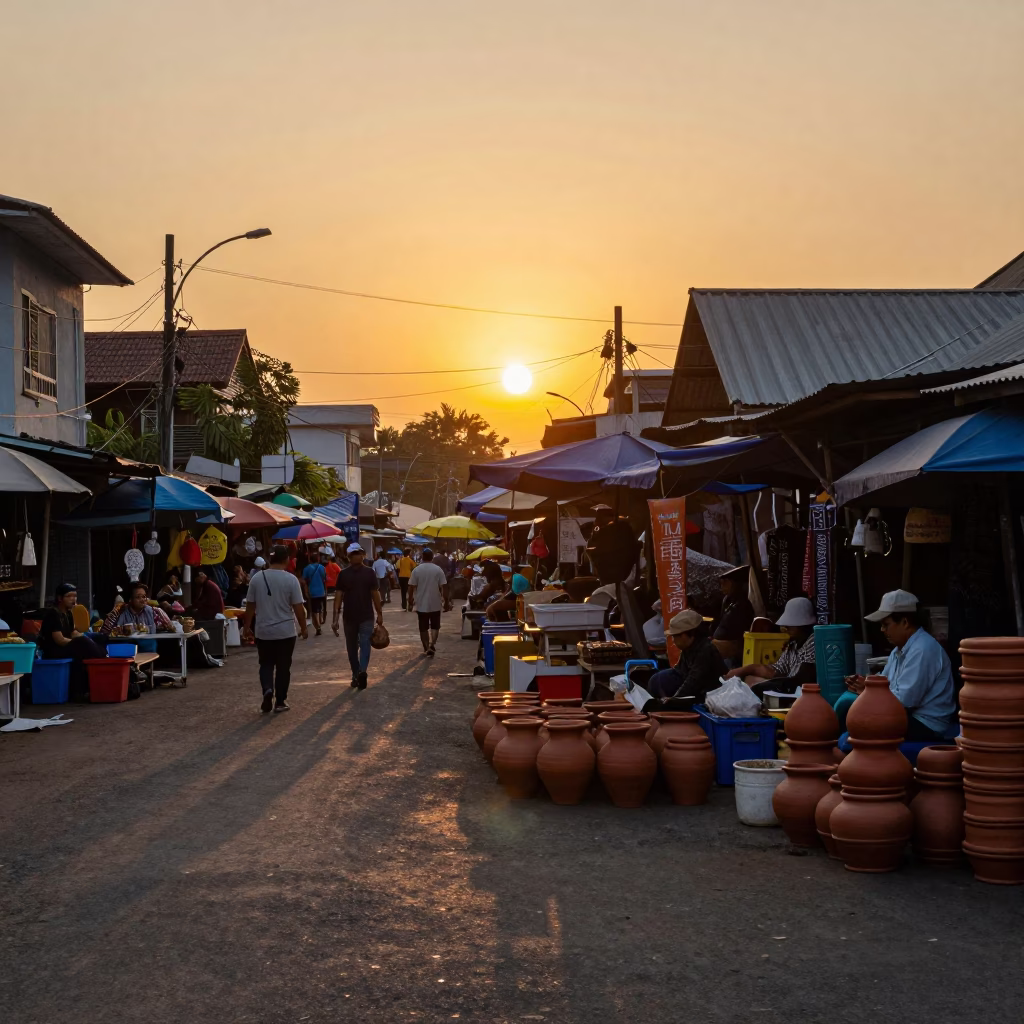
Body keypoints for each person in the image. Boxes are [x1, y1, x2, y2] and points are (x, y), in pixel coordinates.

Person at [838, 590, 956, 740]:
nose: (882, 630)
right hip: (904, 716)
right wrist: (864, 683)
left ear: (905, 622)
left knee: (855, 728)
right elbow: (884, 680)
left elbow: (905, 701)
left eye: (886, 624)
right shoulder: (898, 650)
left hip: (926, 724)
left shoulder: (923, 649)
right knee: (847, 703)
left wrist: (867, 690)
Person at [242, 545, 308, 713]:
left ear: (270, 559)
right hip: (285, 631)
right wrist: (304, 627)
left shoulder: (256, 579)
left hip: (263, 631)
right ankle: (280, 701)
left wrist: (246, 628)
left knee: (265, 664)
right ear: (286, 559)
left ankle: (267, 690)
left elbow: (250, 607)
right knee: (283, 667)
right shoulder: (291, 580)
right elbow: (298, 608)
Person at [102, 582, 223, 669]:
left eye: (144, 597)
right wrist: (117, 622)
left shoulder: (154, 611)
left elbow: (171, 627)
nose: (142, 600)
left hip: (147, 643)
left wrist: (168, 626)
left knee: (151, 643)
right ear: (130, 600)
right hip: (126, 645)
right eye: (138, 597)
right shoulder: (120, 612)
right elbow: (105, 631)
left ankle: (147, 670)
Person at [723, 596, 817, 696]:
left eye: (791, 624)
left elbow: (801, 680)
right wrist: (747, 670)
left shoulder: (813, 641)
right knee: (749, 680)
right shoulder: (793, 644)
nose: (787, 627)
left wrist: (761, 685)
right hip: (788, 686)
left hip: (802, 692)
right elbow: (775, 671)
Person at [643, 608, 727, 707]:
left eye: (675, 636)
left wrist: (675, 699)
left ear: (687, 635)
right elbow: (679, 671)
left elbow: (694, 681)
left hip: (708, 694)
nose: (673, 641)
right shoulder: (689, 648)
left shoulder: (705, 650)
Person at [40, 583, 107, 699]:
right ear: (60, 598)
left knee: (100, 637)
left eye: (75, 596)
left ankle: (103, 663)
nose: (73, 599)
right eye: (69, 596)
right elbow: (59, 640)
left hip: (67, 645)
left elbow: (73, 632)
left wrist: (85, 637)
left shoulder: (69, 613)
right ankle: (102, 665)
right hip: (54, 650)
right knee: (82, 643)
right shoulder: (53, 614)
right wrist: (79, 642)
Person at [332, 543, 384, 689]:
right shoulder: (347, 574)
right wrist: (335, 618)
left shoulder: (365, 573)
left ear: (363, 555)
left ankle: (358, 673)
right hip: (354, 617)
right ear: (349, 557)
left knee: (354, 647)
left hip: (360, 616)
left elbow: (375, 594)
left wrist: (379, 613)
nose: (357, 556)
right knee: (359, 646)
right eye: (354, 553)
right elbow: (338, 597)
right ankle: (360, 672)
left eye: (359, 553)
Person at [407, 548, 449, 656]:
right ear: (432, 558)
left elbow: (411, 587)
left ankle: (426, 647)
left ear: (422, 557)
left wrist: (410, 599)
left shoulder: (417, 570)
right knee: (435, 626)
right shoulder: (438, 569)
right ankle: (432, 644)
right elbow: (444, 586)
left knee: (423, 627)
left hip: (421, 603)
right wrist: (446, 601)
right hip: (435, 602)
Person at [712, 565, 755, 666]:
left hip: (733, 652)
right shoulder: (726, 601)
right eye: (721, 584)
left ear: (734, 584)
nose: (722, 588)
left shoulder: (744, 604)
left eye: (725, 584)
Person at [301, 550, 329, 636]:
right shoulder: (322, 567)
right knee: (319, 609)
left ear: (310, 559)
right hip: (321, 591)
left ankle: (318, 627)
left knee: (314, 612)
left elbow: (303, 581)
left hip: (312, 593)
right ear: (318, 559)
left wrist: (305, 591)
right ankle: (320, 622)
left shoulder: (306, 569)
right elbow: (325, 579)